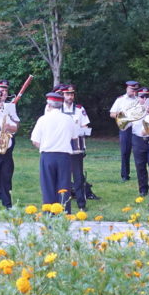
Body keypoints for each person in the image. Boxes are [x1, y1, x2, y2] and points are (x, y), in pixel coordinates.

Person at [31, 91, 77, 211]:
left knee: (48, 187)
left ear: (49, 105)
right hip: (64, 156)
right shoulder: (68, 119)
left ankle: (50, 214)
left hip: (48, 156)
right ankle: (64, 213)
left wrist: (44, 146)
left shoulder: (42, 119)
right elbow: (74, 137)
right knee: (64, 187)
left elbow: (35, 141)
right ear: (61, 104)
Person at [59, 84, 92, 212]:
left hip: (76, 147)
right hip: (61, 147)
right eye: (67, 94)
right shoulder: (57, 109)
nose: (70, 96)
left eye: (72, 94)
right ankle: (63, 202)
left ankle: (81, 204)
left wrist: (80, 130)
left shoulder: (79, 109)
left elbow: (85, 126)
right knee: (63, 177)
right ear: (63, 95)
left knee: (78, 177)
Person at [0, 79, 21, 200]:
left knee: (7, 166)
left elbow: (17, 124)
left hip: (7, 138)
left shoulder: (11, 106)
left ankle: (6, 190)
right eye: (1, 90)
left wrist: (11, 126)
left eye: (6, 90)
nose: (4, 92)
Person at [110, 80, 140, 182]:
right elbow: (112, 113)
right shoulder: (120, 100)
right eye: (132, 89)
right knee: (125, 152)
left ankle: (141, 173)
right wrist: (121, 115)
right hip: (126, 127)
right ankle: (125, 175)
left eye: (135, 90)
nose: (134, 92)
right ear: (127, 88)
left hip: (137, 128)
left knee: (139, 152)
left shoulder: (139, 100)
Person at [130, 86, 149, 197]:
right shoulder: (133, 109)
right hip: (138, 139)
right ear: (137, 97)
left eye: (146, 97)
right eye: (142, 97)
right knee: (140, 165)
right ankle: (143, 189)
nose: (144, 99)